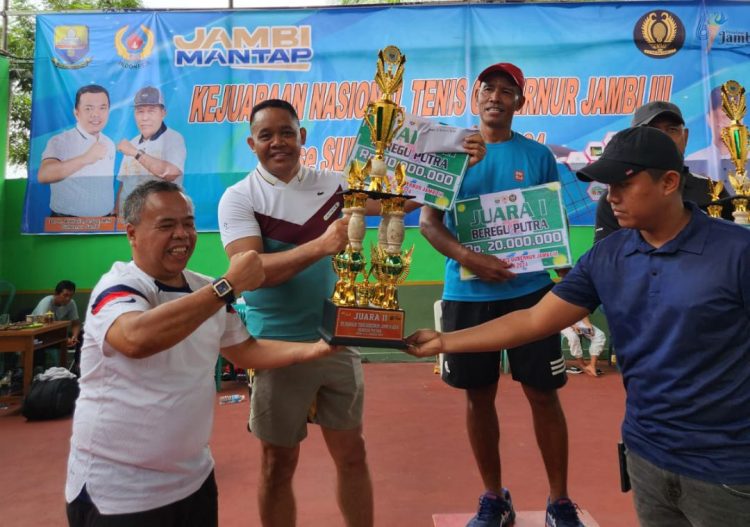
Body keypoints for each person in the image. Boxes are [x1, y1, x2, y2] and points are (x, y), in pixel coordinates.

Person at [407, 126, 750, 527]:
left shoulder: (737, 252)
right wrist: (446, 341)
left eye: (624, 183)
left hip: (728, 470)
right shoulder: (607, 257)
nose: (612, 197)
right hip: (647, 458)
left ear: (669, 182)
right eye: (607, 186)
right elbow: (534, 319)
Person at [218, 98, 485, 527]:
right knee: (277, 464)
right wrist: (321, 246)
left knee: (353, 454)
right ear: (252, 143)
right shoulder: (238, 199)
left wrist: (457, 167)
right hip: (275, 348)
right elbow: (250, 275)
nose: (278, 142)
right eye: (266, 135)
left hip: (336, 339)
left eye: (286, 132)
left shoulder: (336, 184)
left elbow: (401, 201)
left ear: (302, 137)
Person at [65, 180, 338, 527]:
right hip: (119, 494)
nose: (182, 235)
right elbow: (135, 338)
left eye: (188, 223)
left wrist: (315, 349)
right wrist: (228, 285)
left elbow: (247, 351)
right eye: (166, 225)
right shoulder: (120, 286)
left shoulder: (203, 288)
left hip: (193, 481)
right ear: (132, 234)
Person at [418, 63, 583, 527]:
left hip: (531, 293)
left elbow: (552, 227)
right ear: (475, 98)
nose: (496, 96)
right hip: (467, 295)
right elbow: (428, 223)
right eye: (487, 88)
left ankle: (560, 500)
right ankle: (493, 497)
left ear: (519, 103)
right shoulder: (451, 154)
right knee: (478, 396)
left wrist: (571, 287)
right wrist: (472, 259)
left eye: (506, 90)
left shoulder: (537, 156)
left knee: (544, 395)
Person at [595, 100, 732, 242]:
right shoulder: (614, 199)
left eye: (672, 130)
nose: (663, 138)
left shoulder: (712, 189)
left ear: (685, 137)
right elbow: (605, 259)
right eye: (652, 130)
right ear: (634, 138)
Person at [38, 84, 116, 217]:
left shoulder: (109, 143)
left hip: (106, 222)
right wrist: (85, 159)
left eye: (102, 108)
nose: (96, 114)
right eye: (88, 108)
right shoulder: (60, 141)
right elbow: (44, 175)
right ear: (76, 113)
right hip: (67, 224)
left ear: (108, 111)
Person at [116, 86, 187, 211]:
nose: (145, 118)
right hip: (130, 216)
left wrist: (135, 153)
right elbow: (124, 184)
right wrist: (117, 212)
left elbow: (171, 173)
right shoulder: (133, 142)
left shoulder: (174, 138)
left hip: (162, 214)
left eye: (151, 111)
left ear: (163, 113)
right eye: (140, 111)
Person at [31, 279, 81, 369]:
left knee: (82, 336)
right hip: (39, 333)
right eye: (65, 295)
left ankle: (78, 366)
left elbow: (76, 323)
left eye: (71, 296)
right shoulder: (47, 302)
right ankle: (38, 369)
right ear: (56, 294)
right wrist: (64, 338)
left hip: (56, 334)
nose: (68, 299)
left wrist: (74, 337)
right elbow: (43, 327)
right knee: (38, 342)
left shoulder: (71, 303)